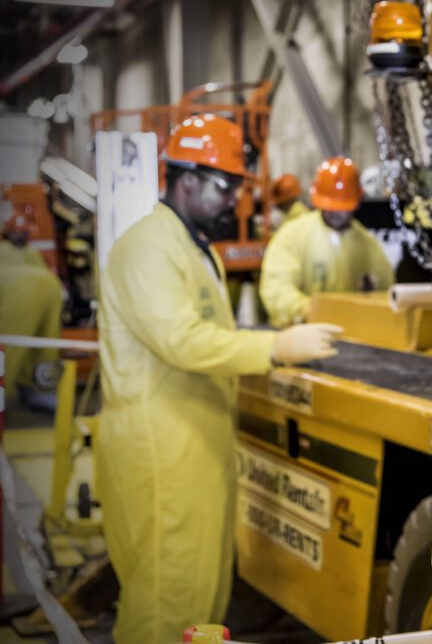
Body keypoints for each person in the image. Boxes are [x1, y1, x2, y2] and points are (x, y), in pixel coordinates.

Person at [96, 113, 340, 644]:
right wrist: (274, 347)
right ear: (187, 179)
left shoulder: (195, 248)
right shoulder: (148, 248)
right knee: (165, 603)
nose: (236, 200)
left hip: (194, 446)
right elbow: (180, 340)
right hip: (160, 455)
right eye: (226, 186)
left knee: (199, 608)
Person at [259, 156, 394, 327]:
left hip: (355, 339)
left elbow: (387, 292)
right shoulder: (292, 237)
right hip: (301, 337)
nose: (336, 214)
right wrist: (308, 310)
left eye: (343, 208)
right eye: (330, 207)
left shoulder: (368, 246)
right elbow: (276, 288)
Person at [0, 213, 63, 410]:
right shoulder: (32, 252)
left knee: (9, 347)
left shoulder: (3, 251)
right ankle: (40, 391)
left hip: (20, 292)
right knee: (44, 345)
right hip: (52, 288)